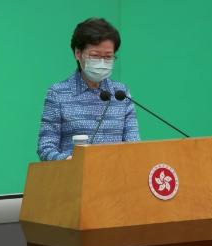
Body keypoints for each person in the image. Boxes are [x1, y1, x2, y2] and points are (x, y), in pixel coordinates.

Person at [37, 18, 140, 161]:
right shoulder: (58, 94)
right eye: (95, 56)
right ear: (78, 53)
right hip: (74, 178)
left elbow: (133, 145)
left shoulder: (121, 93)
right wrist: (69, 162)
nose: (102, 62)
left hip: (116, 178)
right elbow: (45, 148)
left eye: (108, 57)